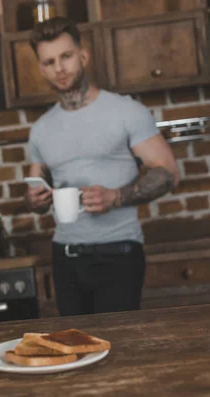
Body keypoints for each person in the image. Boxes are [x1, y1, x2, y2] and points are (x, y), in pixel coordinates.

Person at [24, 17, 179, 316]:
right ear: (42, 68)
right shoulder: (41, 129)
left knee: (118, 350)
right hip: (64, 255)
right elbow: (34, 192)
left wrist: (115, 197)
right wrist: (35, 200)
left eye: (66, 56)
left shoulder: (126, 111)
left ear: (83, 56)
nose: (59, 68)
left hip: (119, 252)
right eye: (50, 61)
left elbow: (168, 173)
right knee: (73, 348)